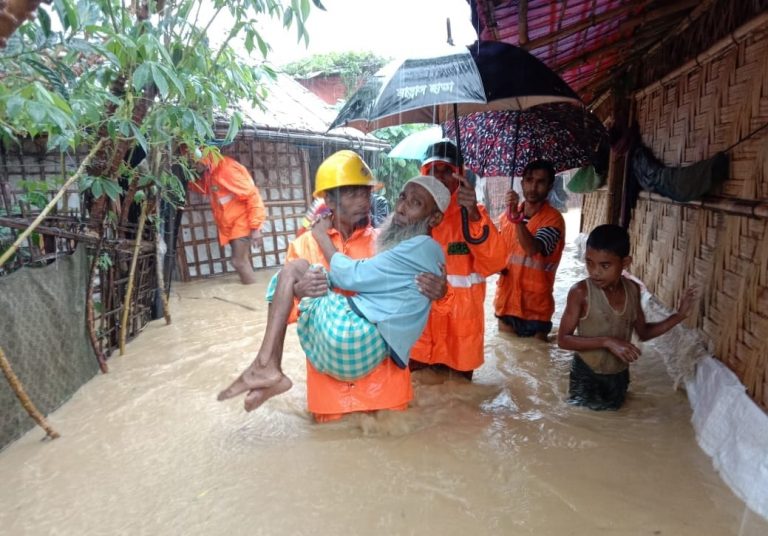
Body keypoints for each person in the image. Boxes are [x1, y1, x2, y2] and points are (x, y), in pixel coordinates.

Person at [217, 176, 450, 411]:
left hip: (385, 393)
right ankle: (267, 369)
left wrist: (441, 293)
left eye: (366, 192)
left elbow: (420, 311)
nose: (363, 200)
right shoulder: (303, 245)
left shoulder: (388, 243)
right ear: (328, 199)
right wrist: (299, 291)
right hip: (330, 398)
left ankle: (265, 367)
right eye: (352, 193)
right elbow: (286, 315)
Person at [557, 224, 697, 410]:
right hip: (586, 374)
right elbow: (563, 340)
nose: (595, 272)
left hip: (619, 376)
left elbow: (644, 333)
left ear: (625, 263)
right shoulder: (581, 292)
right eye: (589, 262)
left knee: (614, 423)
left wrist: (679, 316)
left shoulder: (633, 290)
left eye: (604, 265)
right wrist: (607, 341)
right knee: (584, 423)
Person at [409, 140, 507, 380]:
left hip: (461, 330)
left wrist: (472, 214)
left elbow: (497, 262)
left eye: (447, 171)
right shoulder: (413, 212)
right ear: (425, 174)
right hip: (422, 326)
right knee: (418, 397)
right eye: (434, 170)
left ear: (459, 176)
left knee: (463, 405)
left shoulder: (474, 213)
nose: (440, 177)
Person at [494, 160, 566, 341]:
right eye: (529, 180)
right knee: (507, 359)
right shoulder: (504, 218)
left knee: (536, 359)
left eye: (540, 182)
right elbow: (495, 255)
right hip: (506, 303)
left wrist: (516, 219)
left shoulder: (553, 220)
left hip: (536, 309)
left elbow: (532, 248)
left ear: (550, 186)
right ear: (521, 183)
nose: (533, 187)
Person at [187, 148, 266, 285]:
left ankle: (251, 293)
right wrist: (186, 182)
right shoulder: (211, 171)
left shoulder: (226, 169)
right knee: (242, 261)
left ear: (202, 158)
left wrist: (256, 228)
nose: (194, 166)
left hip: (242, 222)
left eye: (194, 162)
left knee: (238, 261)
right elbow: (205, 188)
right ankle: (251, 289)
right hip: (232, 224)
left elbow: (253, 196)